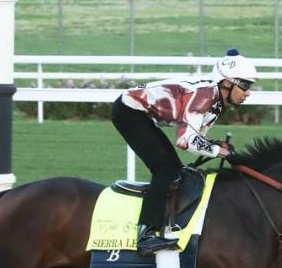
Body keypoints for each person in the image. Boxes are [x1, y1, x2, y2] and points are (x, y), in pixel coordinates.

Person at [110, 48, 258, 256]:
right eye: (245, 85)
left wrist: (218, 147)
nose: (248, 92)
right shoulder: (205, 96)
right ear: (227, 82)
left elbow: (198, 137)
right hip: (129, 112)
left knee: (175, 170)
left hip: (142, 115)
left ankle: (166, 224)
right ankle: (146, 235)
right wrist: (221, 153)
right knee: (165, 170)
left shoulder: (217, 102)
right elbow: (185, 141)